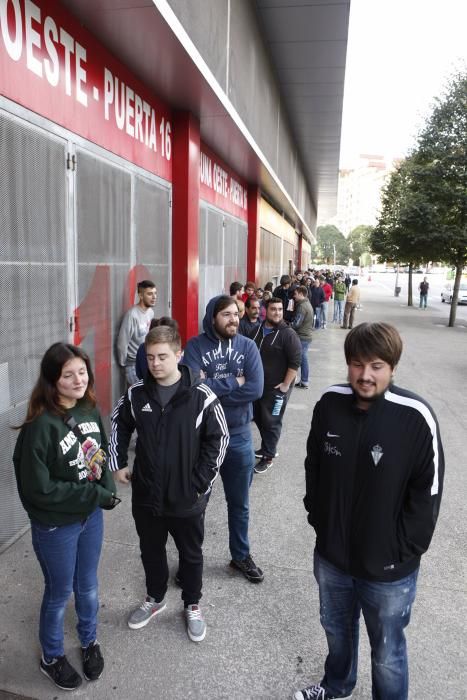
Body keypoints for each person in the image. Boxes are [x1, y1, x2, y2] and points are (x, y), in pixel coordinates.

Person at [295, 322, 444, 700]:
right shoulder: (329, 403)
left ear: (392, 367)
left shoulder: (415, 417)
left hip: (389, 570)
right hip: (332, 557)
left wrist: (403, 550)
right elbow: (314, 463)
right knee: (336, 631)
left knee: (388, 652)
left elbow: (428, 491)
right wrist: (319, 517)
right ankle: (338, 686)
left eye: (376, 365)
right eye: (357, 364)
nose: (365, 375)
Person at [109, 326, 228, 642]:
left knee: (191, 554)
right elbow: (119, 424)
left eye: (162, 356)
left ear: (179, 355)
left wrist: (199, 484)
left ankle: (192, 604)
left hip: (186, 497)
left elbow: (219, 439)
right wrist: (118, 462)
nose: (155, 363)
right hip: (147, 495)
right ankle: (155, 598)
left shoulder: (200, 395)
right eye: (149, 357)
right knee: (151, 550)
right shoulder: (137, 393)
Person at [13, 343, 118, 691]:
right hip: (57, 525)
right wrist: (92, 494)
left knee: (87, 586)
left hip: (90, 519)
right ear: (52, 380)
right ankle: (52, 657)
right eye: (67, 374)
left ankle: (89, 642)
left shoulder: (88, 409)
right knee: (59, 592)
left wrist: (105, 489)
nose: (77, 379)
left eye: (82, 371)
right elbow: (37, 490)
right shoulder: (40, 426)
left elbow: (99, 454)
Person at [183, 295, 264, 583]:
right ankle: (191, 561)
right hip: (203, 439)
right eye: (227, 314)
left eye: (236, 314)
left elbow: (255, 388)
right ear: (212, 317)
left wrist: (212, 388)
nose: (234, 319)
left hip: (239, 436)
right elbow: (193, 389)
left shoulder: (247, 346)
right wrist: (234, 382)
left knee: (239, 503)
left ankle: (240, 556)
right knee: (196, 503)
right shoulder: (195, 347)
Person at [250, 297, 302, 473]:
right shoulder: (258, 330)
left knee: (272, 421)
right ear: (266, 311)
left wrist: (285, 386)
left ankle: (269, 456)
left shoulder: (288, 334)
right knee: (258, 417)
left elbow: (295, 363)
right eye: (273, 309)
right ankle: (267, 447)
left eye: (280, 309)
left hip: (277, 389)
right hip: (258, 387)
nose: (277, 313)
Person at [117, 280, 157, 385]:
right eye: (149, 294)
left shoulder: (150, 312)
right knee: (140, 395)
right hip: (132, 364)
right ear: (140, 295)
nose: (154, 297)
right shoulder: (132, 315)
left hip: (145, 360)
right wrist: (123, 364)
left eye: (155, 293)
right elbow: (123, 341)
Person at [291, 285, 314, 388]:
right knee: (302, 358)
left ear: (301, 294)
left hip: (302, 336)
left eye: (295, 294)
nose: (294, 296)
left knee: (301, 359)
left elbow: (297, 323)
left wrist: (288, 326)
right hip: (305, 336)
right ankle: (304, 380)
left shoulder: (302, 306)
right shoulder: (306, 303)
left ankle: (304, 380)